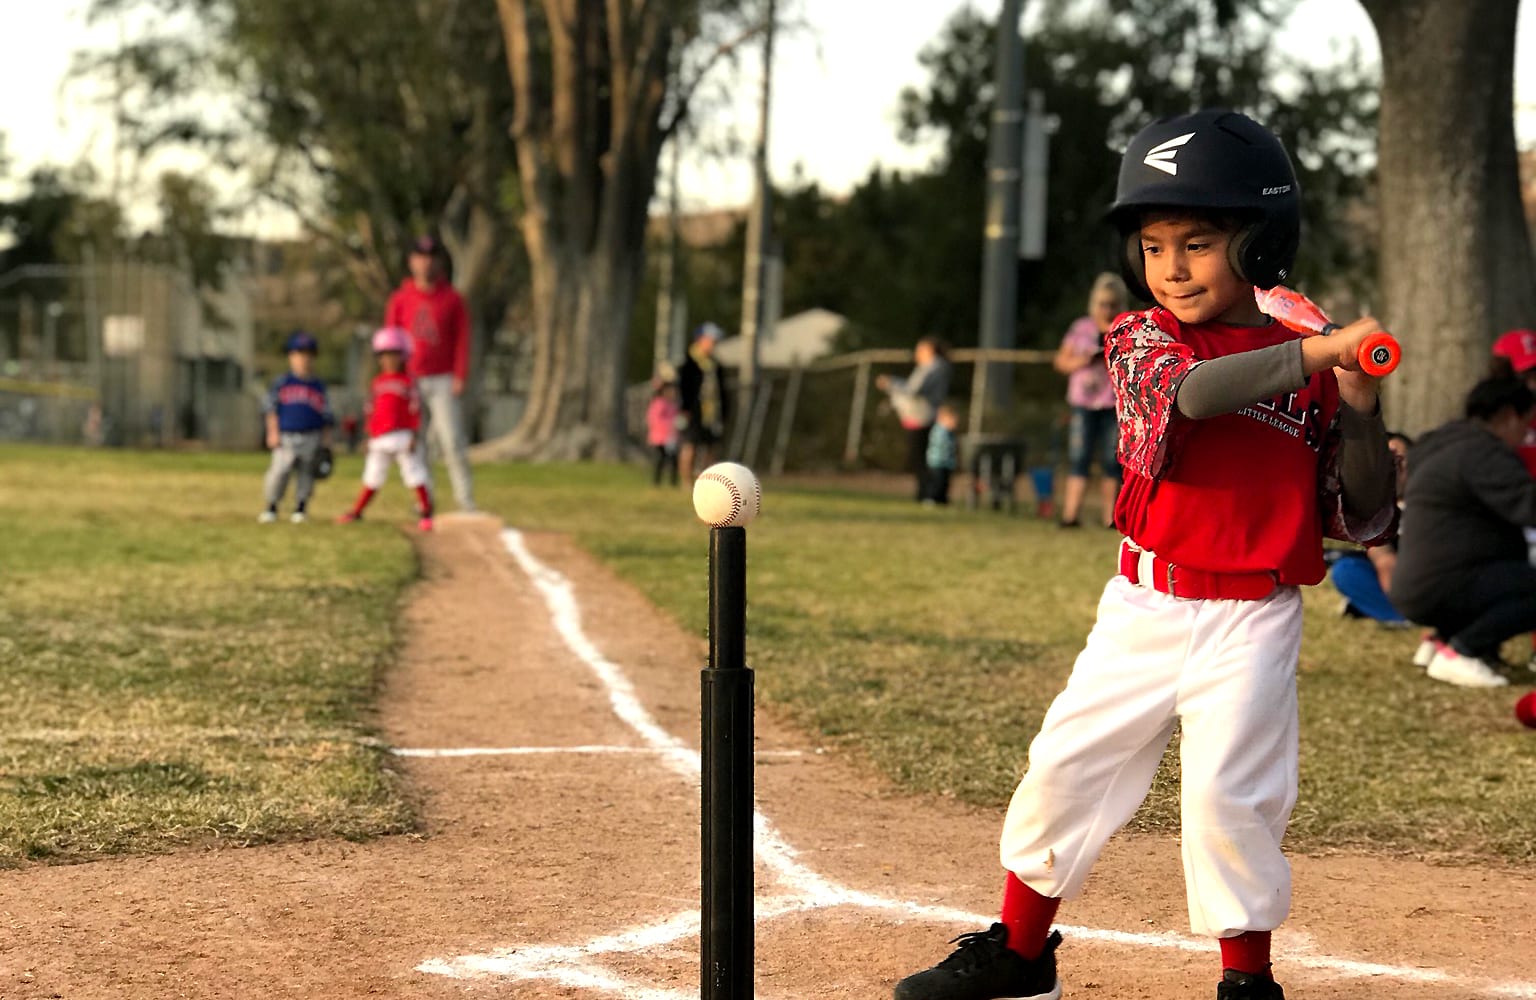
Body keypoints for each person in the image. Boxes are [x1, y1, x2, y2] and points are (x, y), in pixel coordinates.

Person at [892, 109, 1397, 1000]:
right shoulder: (1139, 339)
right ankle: (1019, 953)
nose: (1172, 266)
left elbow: (1362, 509)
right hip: (1147, 603)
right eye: (1155, 245)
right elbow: (1197, 395)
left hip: (1254, 614)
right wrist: (1321, 351)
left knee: (1225, 802)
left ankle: (1248, 981)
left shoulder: (1310, 356)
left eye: (1199, 242)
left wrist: (1357, 403)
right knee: (1068, 765)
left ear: (1259, 243)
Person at [1389, 377, 1536, 688]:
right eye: (1526, 422)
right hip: (1444, 584)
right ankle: (1462, 651)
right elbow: (1527, 505)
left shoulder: (1441, 443)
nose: (1526, 434)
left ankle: (1441, 642)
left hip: (1417, 583)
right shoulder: (1483, 452)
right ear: (1509, 415)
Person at [383, 234, 476, 512]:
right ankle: (425, 500)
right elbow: (390, 342)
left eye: (430, 258)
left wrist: (460, 374)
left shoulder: (452, 299)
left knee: (452, 440)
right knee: (416, 442)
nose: (425, 264)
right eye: (420, 257)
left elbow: (462, 338)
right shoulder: (400, 299)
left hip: (443, 378)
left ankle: (465, 499)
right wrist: (393, 380)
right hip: (410, 380)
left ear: (438, 262)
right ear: (412, 262)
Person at [335, 326, 435, 532]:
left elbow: (415, 410)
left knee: (414, 473)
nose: (388, 360)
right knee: (372, 475)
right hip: (379, 437)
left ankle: (426, 513)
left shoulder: (408, 382)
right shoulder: (377, 383)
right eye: (384, 355)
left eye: (393, 355)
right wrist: (367, 436)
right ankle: (357, 511)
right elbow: (370, 411)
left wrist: (414, 434)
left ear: (403, 356)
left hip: (402, 435)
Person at [1052, 273, 1127, 528]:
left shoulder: (1124, 328)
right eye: (1103, 303)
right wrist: (1083, 360)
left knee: (1111, 461)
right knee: (1079, 458)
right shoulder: (1081, 328)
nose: (1107, 309)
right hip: (1083, 403)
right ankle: (1070, 516)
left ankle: (1110, 518)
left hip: (1112, 404)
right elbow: (1060, 362)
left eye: (1113, 304)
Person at [1329, 432, 1412, 625]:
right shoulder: (1371, 508)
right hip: (1392, 580)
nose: (1395, 469)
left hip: (1427, 577)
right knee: (1346, 570)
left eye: (1400, 460)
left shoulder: (1430, 501)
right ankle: (1396, 615)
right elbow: (1382, 558)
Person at [259, 331, 334, 524]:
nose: (304, 359)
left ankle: (300, 508)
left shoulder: (318, 386)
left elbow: (326, 416)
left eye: (308, 355)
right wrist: (272, 432)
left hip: (312, 435)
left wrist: (326, 441)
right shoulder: (282, 383)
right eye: (299, 354)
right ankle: (271, 507)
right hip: (286, 436)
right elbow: (271, 410)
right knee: (279, 472)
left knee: (306, 473)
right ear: (290, 357)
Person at [876, 336, 953, 501]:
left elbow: (913, 390)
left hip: (923, 417)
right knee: (921, 458)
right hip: (919, 416)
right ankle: (927, 493)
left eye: (920, 349)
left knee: (922, 459)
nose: (917, 353)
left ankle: (929, 494)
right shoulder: (929, 367)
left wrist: (891, 383)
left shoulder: (934, 367)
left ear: (929, 350)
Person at [677, 322, 730, 483]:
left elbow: (722, 391)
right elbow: (683, 388)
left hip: (711, 413)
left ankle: (708, 483)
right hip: (693, 412)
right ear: (700, 339)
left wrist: (725, 413)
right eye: (710, 340)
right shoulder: (689, 362)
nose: (713, 344)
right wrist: (684, 409)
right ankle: (686, 483)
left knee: (711, 448)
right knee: (690, 445)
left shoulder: (716, 365)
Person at [922, 403, 960, 506]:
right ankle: (931, 499)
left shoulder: (950, 433)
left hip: (947, 463)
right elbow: (942, 445)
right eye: (952, 420)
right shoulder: (939, 431)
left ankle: (942, 500)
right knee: (936, 482)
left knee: (945, 483)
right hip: (937, 462)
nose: (954, 423)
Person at [647, 379, 682, 487]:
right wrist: (670, 425)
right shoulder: (659, 403)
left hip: (672, 438)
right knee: (660, 460)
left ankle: (673, 482)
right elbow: (654, 419)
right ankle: (656, 482)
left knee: (674, 461)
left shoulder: (674, 405)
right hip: (660, 438)